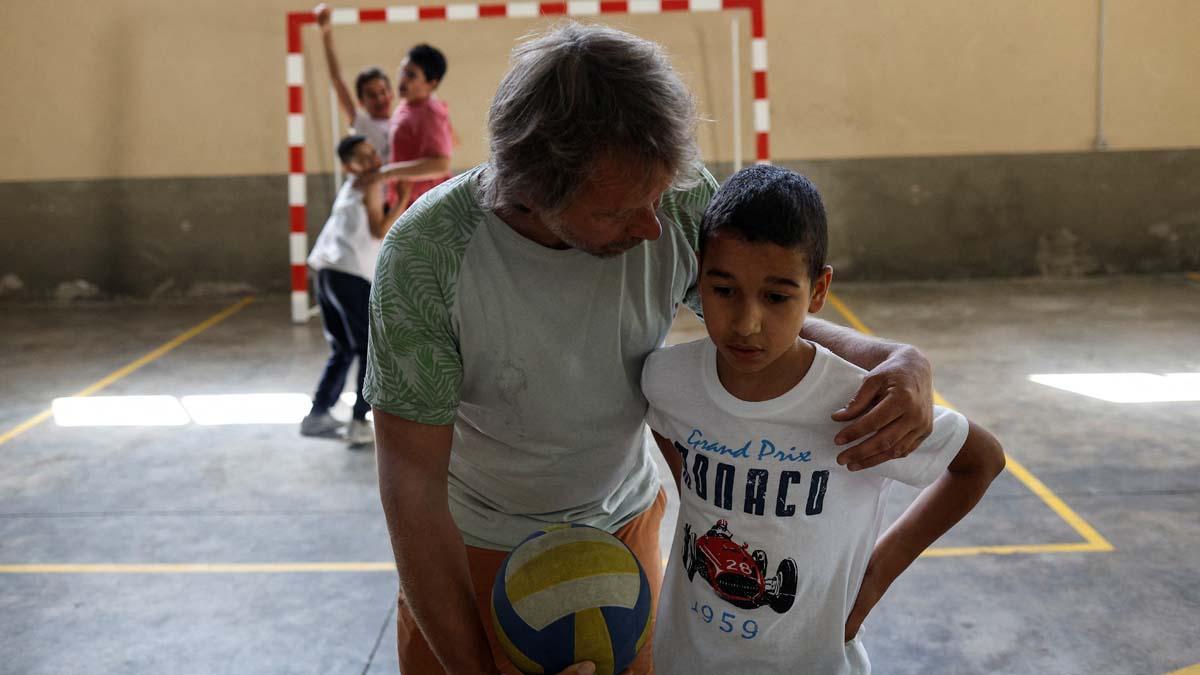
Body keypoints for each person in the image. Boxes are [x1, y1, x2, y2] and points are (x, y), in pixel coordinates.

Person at [365, 24, 943, 674]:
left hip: (621, 531)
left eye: (658, 197)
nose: (652, 228)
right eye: (617, 213)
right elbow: (411, 483)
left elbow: (754, 314)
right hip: (474, 545)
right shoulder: (428, 258)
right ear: (533, 192)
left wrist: (892, 357)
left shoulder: (676, 197)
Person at [643, 165, 1006, 674]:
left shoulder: (856, 402)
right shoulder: (667, 377)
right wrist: (698, 495)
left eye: (776, 296)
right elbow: (665, 421)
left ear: (817, 291)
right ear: (699, 277)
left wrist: (878, 573)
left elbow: (981, 461)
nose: (747, 323)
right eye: (724, 290)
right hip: (686, 659)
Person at [301, 135, 460, 446]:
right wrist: (402, 198)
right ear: (349, 166)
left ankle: (318, 413)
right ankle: (360, 421)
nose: (373, 161)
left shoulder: (350, 186)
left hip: (326, 273)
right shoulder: (370, 185)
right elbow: (378, 228)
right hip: (348, 275)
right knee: (366, 348)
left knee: (343, 348)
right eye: (363, 158)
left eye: (373, 153)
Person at [314, 4, 393, 165]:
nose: (379, 98)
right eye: (371, 95)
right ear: (361, 102)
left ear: (392, 93)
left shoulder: (405, 120)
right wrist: (326, 33)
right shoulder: (361, 122)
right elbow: (337, 80)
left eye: (382, 92)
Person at [386, 43, 455, 214]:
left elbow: (441, 164)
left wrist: (387, 173)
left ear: (431, 83)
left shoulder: (430, 112)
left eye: (411, 75)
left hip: (430, 208)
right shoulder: (408, 105)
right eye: (402, 71)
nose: (402, 79)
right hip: (409, 204)